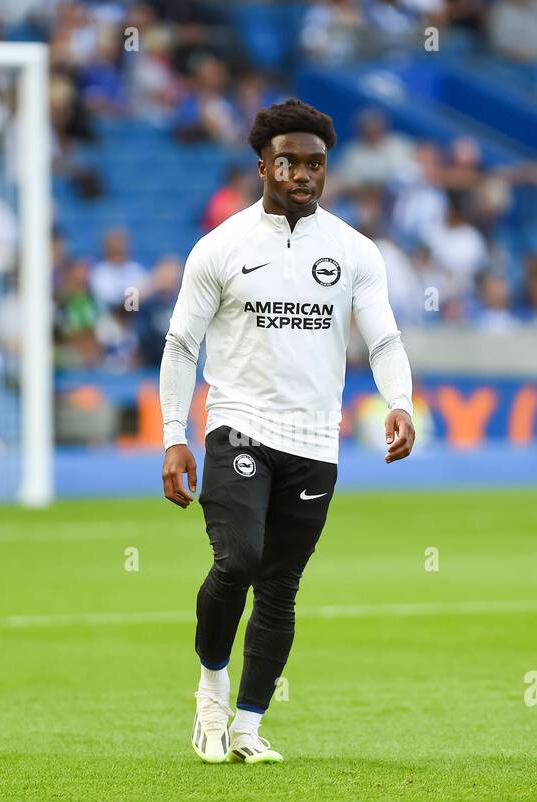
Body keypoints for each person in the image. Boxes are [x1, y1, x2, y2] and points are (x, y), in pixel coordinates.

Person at [159, 99, 415, 765]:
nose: (303, 173)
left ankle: (247, 726)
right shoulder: (220, 247)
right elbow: (182, 344)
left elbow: (383, 335)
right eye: (289, 161)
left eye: (315, 164)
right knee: (236, 560)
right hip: (238, 430)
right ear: (263, 165)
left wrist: (401, 401)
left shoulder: (355, 251)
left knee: (280, 587)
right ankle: (211, 687)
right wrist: (172, 435)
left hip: (314, 444)